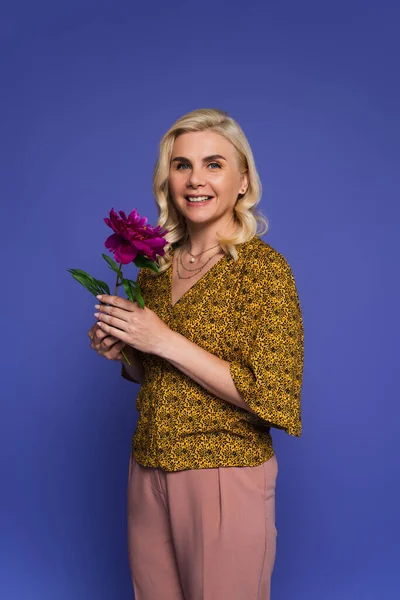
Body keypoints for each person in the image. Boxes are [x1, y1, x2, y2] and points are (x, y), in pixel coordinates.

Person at [87, 108, 304, 600]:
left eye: (213, 164)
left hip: (223, 471)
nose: (195, 179)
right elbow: (157, 375)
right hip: (149, 465)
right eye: (181, 165)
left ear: (243, 179)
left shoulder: (262, 271)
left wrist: (163, 339)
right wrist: (123, 348)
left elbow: (273, 394)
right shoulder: (155, 267)